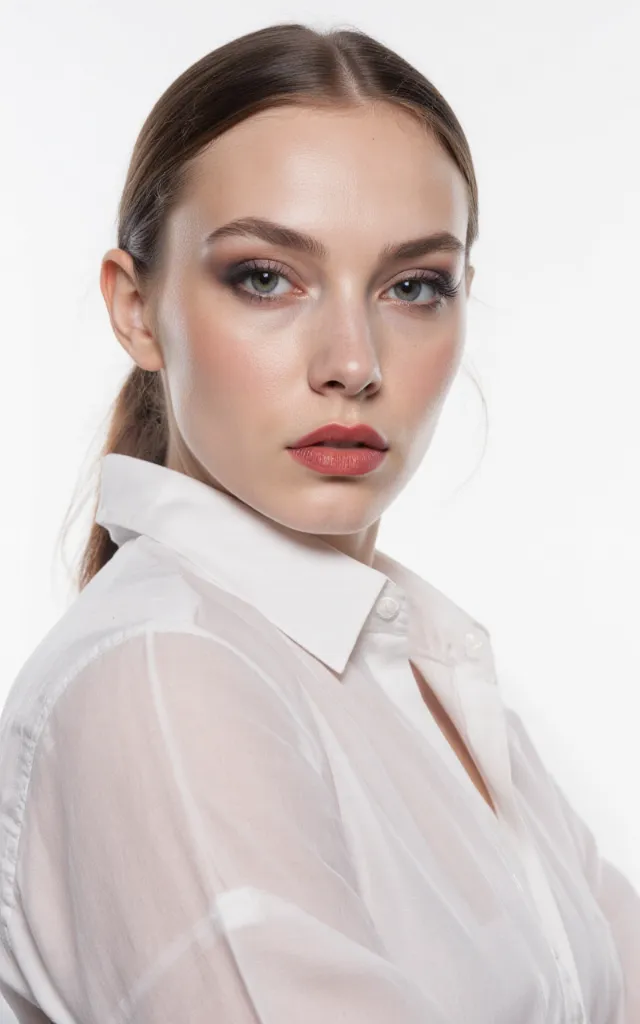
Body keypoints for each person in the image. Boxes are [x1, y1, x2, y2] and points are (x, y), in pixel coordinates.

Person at [0, 21, 637, 1024]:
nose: (352, 360)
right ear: (135, 309)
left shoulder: (421, 671)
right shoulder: (165, 673)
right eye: (265, 276)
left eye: (412, 285)